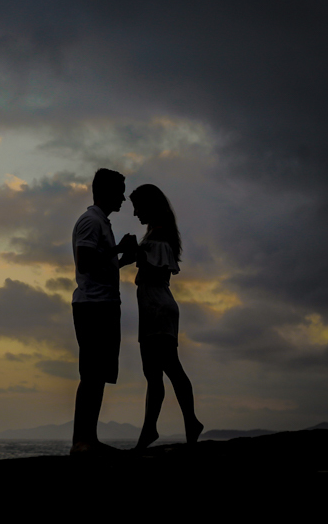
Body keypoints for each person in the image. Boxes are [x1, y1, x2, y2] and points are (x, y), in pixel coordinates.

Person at [129, 184, 203, 449]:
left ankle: (185, 423)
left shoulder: (158, 236)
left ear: (150, 206)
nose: (135, 213)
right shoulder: (158, 235)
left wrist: (135, 253)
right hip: (154, 308)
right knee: (154, 372)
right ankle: (150, 430)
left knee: (169, 368)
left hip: (157, 308)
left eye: (138, 206)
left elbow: (151, 271)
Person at [70, 168, 137, 455]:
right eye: (120, 191)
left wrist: (122, 259)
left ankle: (89, 439)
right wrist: (117, 249)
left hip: (104, 304)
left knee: (98, 375)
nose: (123, 197)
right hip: (93, 306)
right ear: (105, 191)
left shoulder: (101, 223)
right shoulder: (90, 221)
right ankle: (81, 441)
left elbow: (98, 265)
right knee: (91, 374)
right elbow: (84, 262)